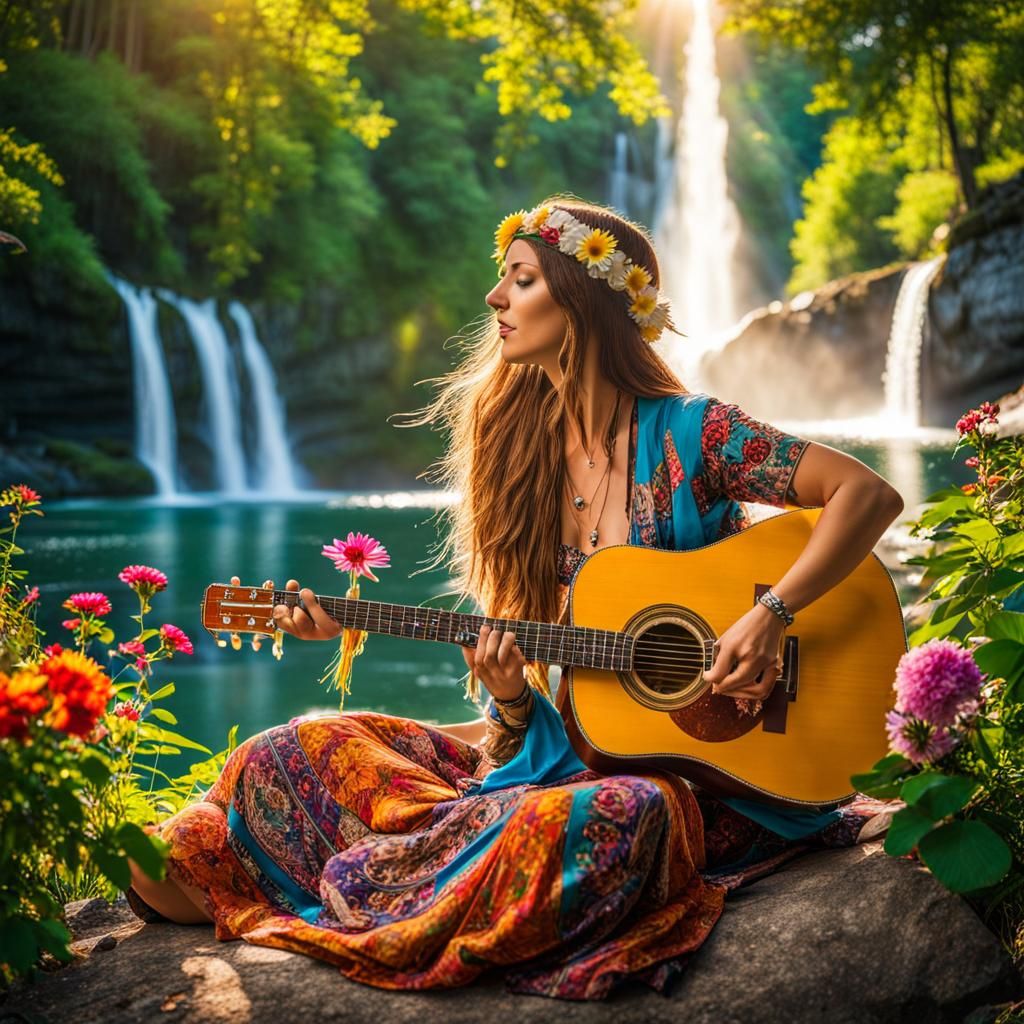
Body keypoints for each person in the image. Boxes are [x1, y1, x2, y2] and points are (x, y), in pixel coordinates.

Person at [127, 196, 904, 1000]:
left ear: (585, 298)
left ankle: (396, 873)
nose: (495, 299)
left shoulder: (695, 433)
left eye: (521, 279)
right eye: (502, 281)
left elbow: (866, 495)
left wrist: (770, 615)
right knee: (292, 747)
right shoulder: (516, 458)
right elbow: (555, 718)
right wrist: (506, 700)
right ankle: (406, 860)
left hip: (708, 784)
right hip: (567, 758)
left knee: (623, 814)